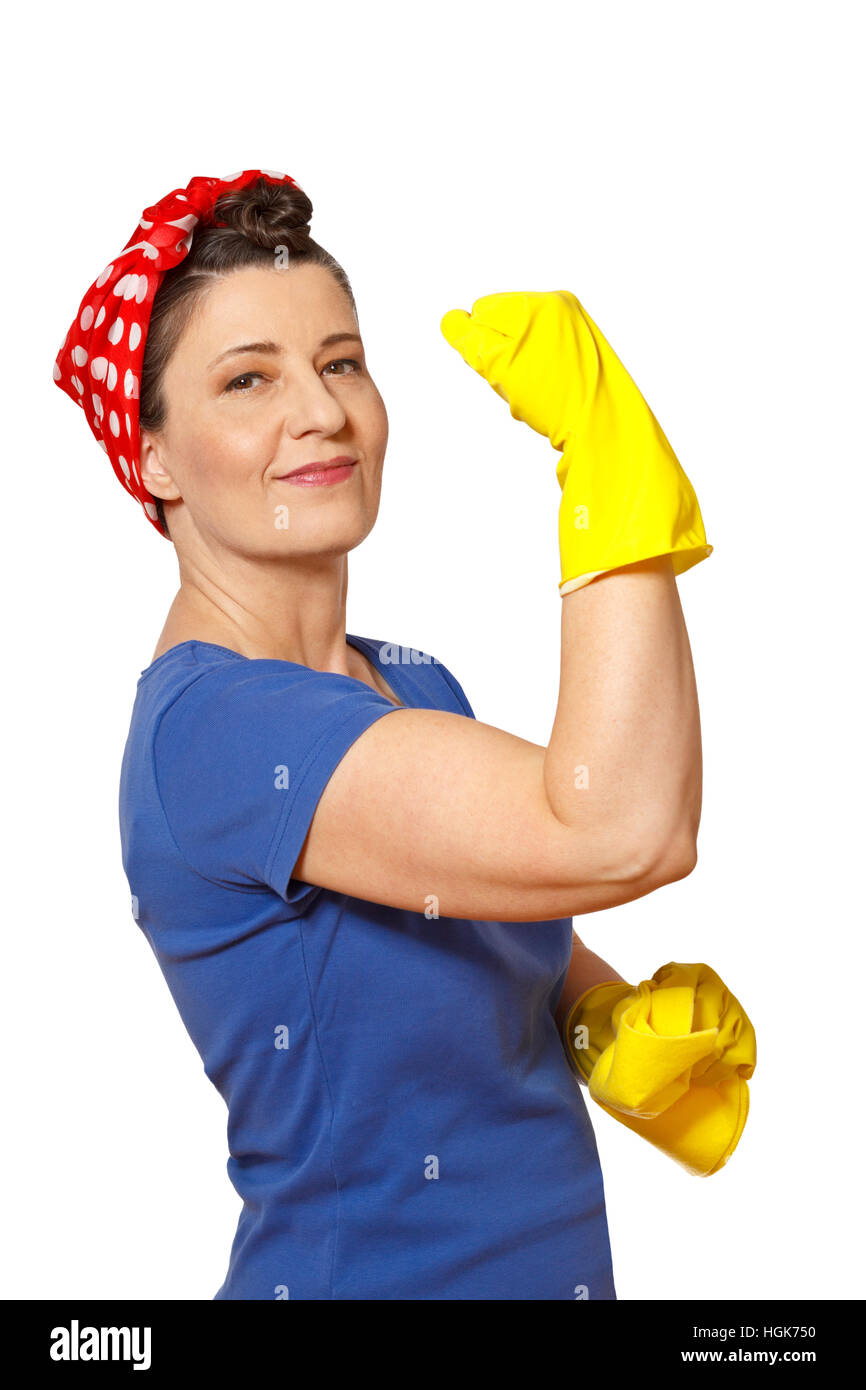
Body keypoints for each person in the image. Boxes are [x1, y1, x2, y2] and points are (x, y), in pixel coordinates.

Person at [53, 168, 710, 1301]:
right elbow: (617, 828)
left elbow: (496, 934)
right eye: (246, 378)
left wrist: (600, 1019)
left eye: (339, 359)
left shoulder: (410, 682)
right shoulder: (218, 729)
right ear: (153, 457)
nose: (320, 409)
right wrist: (608, 468)